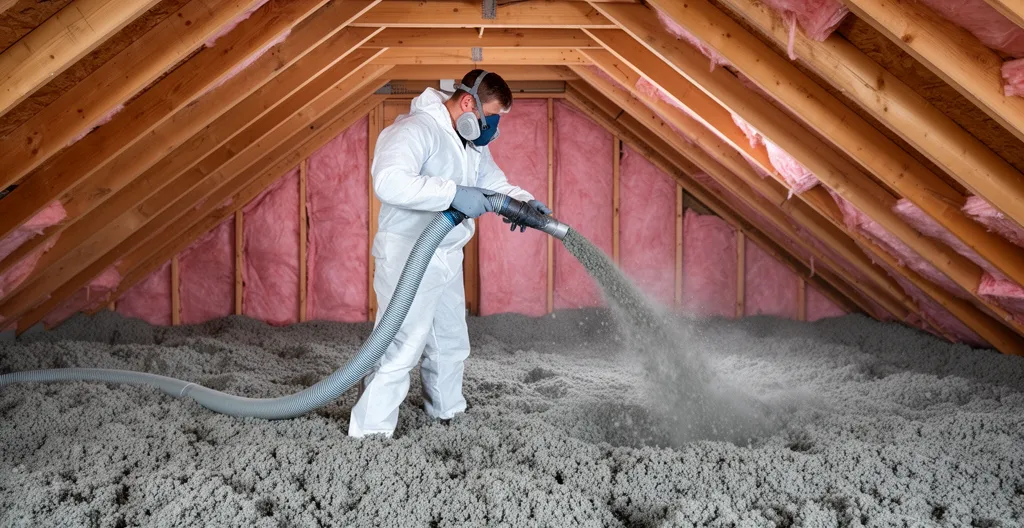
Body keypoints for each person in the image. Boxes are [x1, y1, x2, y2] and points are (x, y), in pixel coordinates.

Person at [349, 70, 551, 437]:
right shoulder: (414, 130)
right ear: (468, 102)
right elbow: (389, 181)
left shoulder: (470, 143)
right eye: (491, 117)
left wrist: (522, 203)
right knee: (401, 345)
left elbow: (493, 185)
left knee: (451, 340)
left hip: (445, 253)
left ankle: (446, 412)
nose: (492, 128)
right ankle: (370, 432)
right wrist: (453, 193)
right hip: (409, 254)